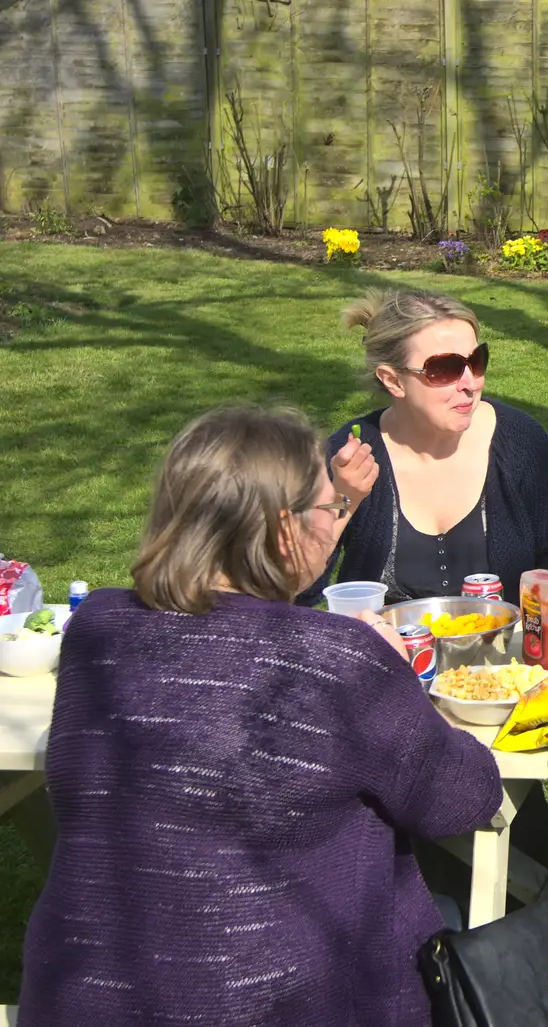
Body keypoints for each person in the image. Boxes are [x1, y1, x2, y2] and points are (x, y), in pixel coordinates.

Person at [21, 407, 504, 1027]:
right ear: (284, 531)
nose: (336, 526)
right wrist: (396, 678)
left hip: (83, 996)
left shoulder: (98, 628)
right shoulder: (335, 660)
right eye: (332, 511)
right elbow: (463, 798)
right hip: (284, 1000)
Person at [304, 288, 548, 606]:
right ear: (393, 380)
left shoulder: (520, 441)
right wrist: (341, 500)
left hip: (510, 653)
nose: (470, 383)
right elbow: (295, 592)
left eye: (476, 361)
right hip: (385, 652)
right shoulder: (349, 456)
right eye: (445, 368)